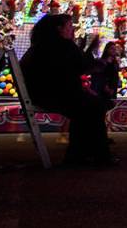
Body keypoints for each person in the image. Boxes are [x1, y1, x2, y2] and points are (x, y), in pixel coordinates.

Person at [20, 13, 114, 165]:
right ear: (59, 29)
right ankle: (96, 154)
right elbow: (83, 66)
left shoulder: (39, 46)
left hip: (40, 93)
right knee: (94, 106)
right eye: (69, 26)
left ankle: (80, 153)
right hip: (53, 95)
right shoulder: (63, 45)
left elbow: (64, 73)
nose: (72, 30)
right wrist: (99, 59)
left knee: (88, 105)